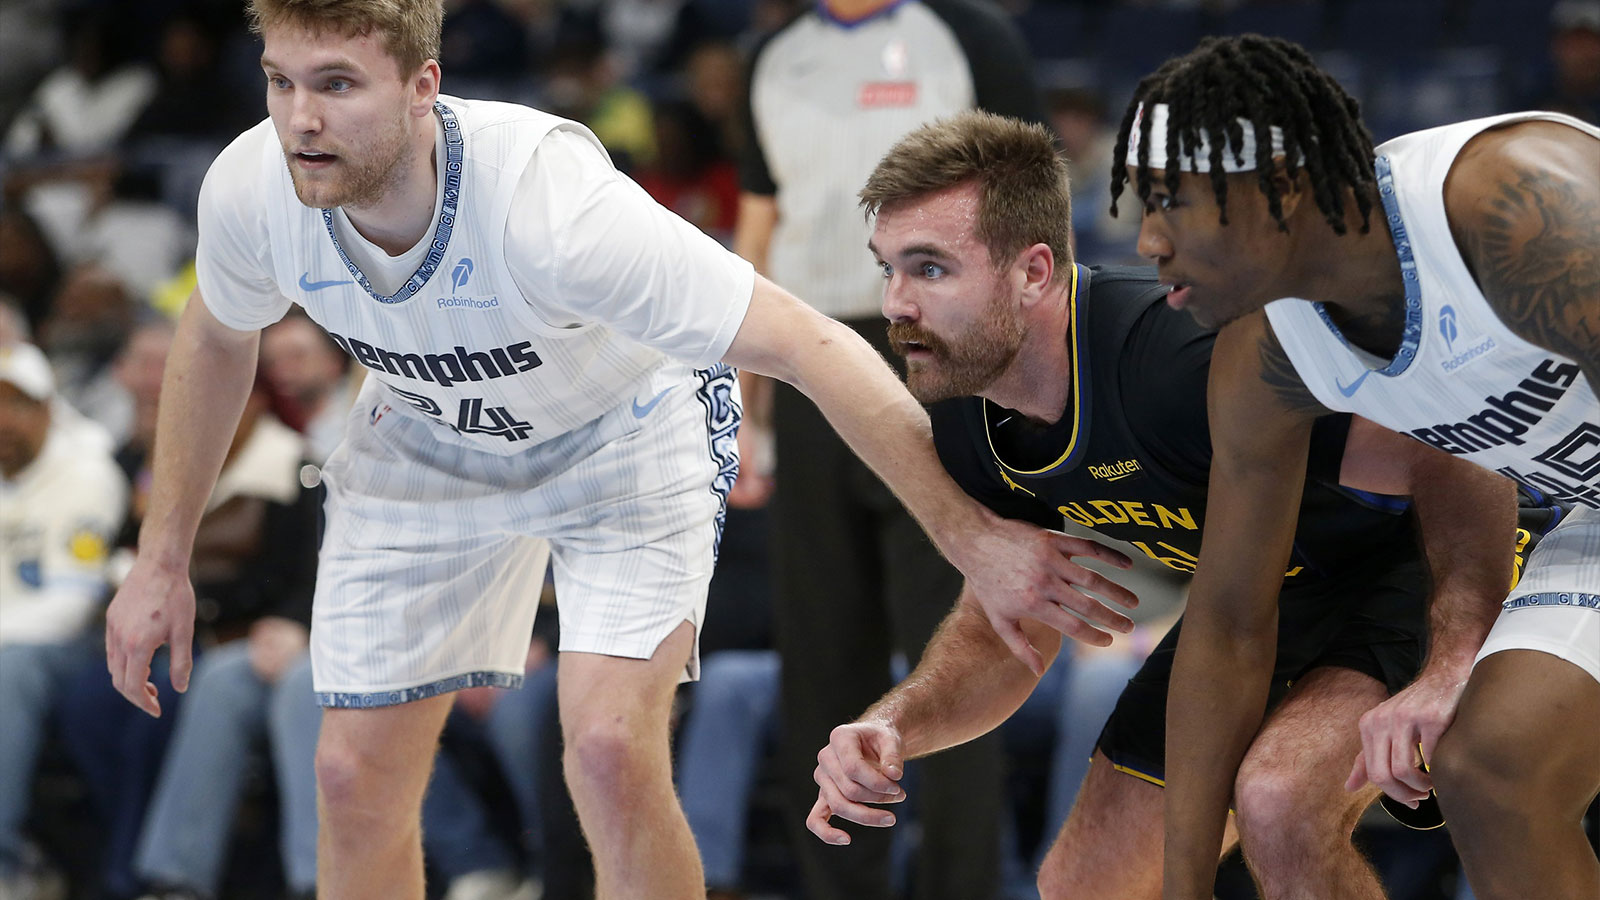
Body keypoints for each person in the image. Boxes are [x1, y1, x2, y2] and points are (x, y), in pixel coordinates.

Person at [101, 3, 1121, 899]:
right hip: (423, 430)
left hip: (621, 430)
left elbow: (815, 343)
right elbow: (216, 336)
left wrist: (971, 537)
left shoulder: (554, 210)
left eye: (336, 84)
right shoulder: (251, 186)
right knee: (346, 776)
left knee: (602, 749)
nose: (301, 119)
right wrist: (162, 556)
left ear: (422, 88)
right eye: (280, 81)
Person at [802, 111, 1540, 899]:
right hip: (1265, 599)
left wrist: (1452, 656)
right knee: (1085, 885)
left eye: (931, 269)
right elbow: (1006, 630)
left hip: (1419, 560)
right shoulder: (964, 405)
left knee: (1280, 801)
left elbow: (1450, 449)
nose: (896, 303)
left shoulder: (1180, 358)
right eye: (888, 269)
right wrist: (895, 724)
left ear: (1034, 271)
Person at [1102, 34, 1599, 900]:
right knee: (1493, 766)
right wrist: (1181, 887)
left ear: (1285, 187)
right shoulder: (1268, 354)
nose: (1146, 239)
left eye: (1172, 203)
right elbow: (1227, 626)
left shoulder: (1523, 209)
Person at [734, 0, 1044, 894]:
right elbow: (760, 227)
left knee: (955, 658)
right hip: (803, 353)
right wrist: (747, 412)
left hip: (949, 359)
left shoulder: (971, 36)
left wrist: (1024, 377)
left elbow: (1033, 216)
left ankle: (963, 885)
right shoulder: (772, 56)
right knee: (822, 662)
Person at [0, 341, 127, 897]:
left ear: (48, 408)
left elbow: (70, 605)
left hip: (75, 647)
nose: (2, 420)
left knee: (12, 671)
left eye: (16, 405)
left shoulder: (87, 473)